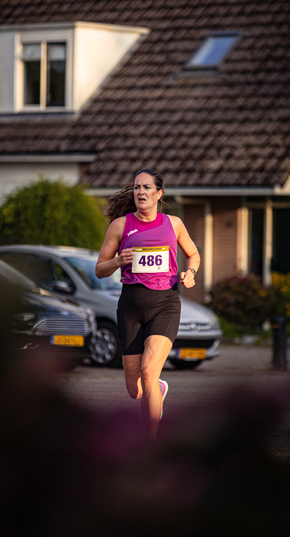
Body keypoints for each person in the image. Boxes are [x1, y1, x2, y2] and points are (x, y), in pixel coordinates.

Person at [95, 168, 200, 440]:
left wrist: (191, 273)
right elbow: (99, 269)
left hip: (164, 303)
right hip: (130, 305)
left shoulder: (173, 224)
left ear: (158, 194)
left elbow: (193, 254)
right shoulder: (120, 225)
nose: (140, 192)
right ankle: (158, 390)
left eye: (146, 187)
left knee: (148, 373)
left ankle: (150, 443)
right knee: (136, 389)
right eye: (137, 187)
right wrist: (118, 261)